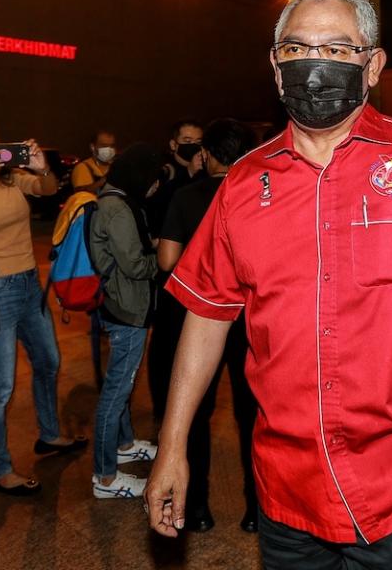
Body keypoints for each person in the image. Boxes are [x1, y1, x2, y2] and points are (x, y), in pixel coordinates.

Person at [146, 0, 392, 570]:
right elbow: (206, 314)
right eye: (296, 49)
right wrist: (172, 448)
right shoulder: (244, 184)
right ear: (275, 68)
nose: (313, 64)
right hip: (285, 486)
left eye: (336, 49)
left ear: (372, 66)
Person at [0, 121, 87, 496]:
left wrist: (41, 166)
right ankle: (1, 469)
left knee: (48, 362)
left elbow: (47, 188)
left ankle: (50, 434)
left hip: (28, 283)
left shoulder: (13, 181)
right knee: (0, 386)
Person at [157, 118, 259, 533]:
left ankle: (195, 508)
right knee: (252, 414)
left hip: (201, 318)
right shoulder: (261, 194)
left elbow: (166, 261)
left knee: (196, 411)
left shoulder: (187, 196)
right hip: (251, 318)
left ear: (206, 155)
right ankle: (258, 510)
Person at [88, 142, 161, 499]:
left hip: (123, 304)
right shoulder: (117, 208)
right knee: (116, 390)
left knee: (124, 383)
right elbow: (134, 265)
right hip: (125, 308)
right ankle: (104, 478)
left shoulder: (117, 199)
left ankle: (125, 443)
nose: (156, 185)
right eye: (152, 178)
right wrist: (163, 258)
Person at [144, 118, 205, 420]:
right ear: (173, 143)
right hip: (168, 279)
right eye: (185, 139)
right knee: (165, 349)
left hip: (194, 280)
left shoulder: (200, 176)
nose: (191, 144)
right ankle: (162, 413)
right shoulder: (165, 174)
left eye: (196, 140)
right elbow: (154, 216)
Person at [71, 130, 117, 194]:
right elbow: (82, 193)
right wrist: (105, 180)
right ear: (92, 147)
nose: (108, 149)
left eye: (111, 146)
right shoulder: (83, 168)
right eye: (104, 146)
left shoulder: (117, 165)